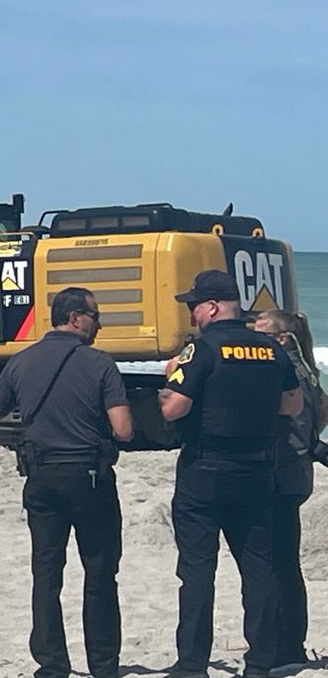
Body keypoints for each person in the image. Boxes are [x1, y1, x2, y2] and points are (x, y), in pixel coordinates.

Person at [0, 287, 133, 678]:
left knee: (46, 574)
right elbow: (123, 430)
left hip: (41, 478)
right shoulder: (100, 364)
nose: (99, 325)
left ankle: (51, 664)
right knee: (100, 573)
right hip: (89, 479)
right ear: (75, 318)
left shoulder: (21, 361)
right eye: (95, 316)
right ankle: (103, 665)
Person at [159, 270, 302, 678]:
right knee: (258, 569)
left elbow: (173, 409)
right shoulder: (271, 349)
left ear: (213, 307)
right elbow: (292, 406)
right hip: (256, 469)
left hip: (205, 470)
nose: (191, 315)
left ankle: (192, 664)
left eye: (194, 306)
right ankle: (260, 662)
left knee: (197, 571)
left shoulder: (201, 350)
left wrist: (169, 381)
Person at [254, 309, 327, 671]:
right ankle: (289, 642)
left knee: (277, 563)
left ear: (281, 339)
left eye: (262, 335)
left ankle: (286, 644)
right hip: (297, 475)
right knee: (285, 561)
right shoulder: (307, 371)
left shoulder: (289, 374)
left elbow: (298, 428)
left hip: (284, 475)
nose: (254, 341)